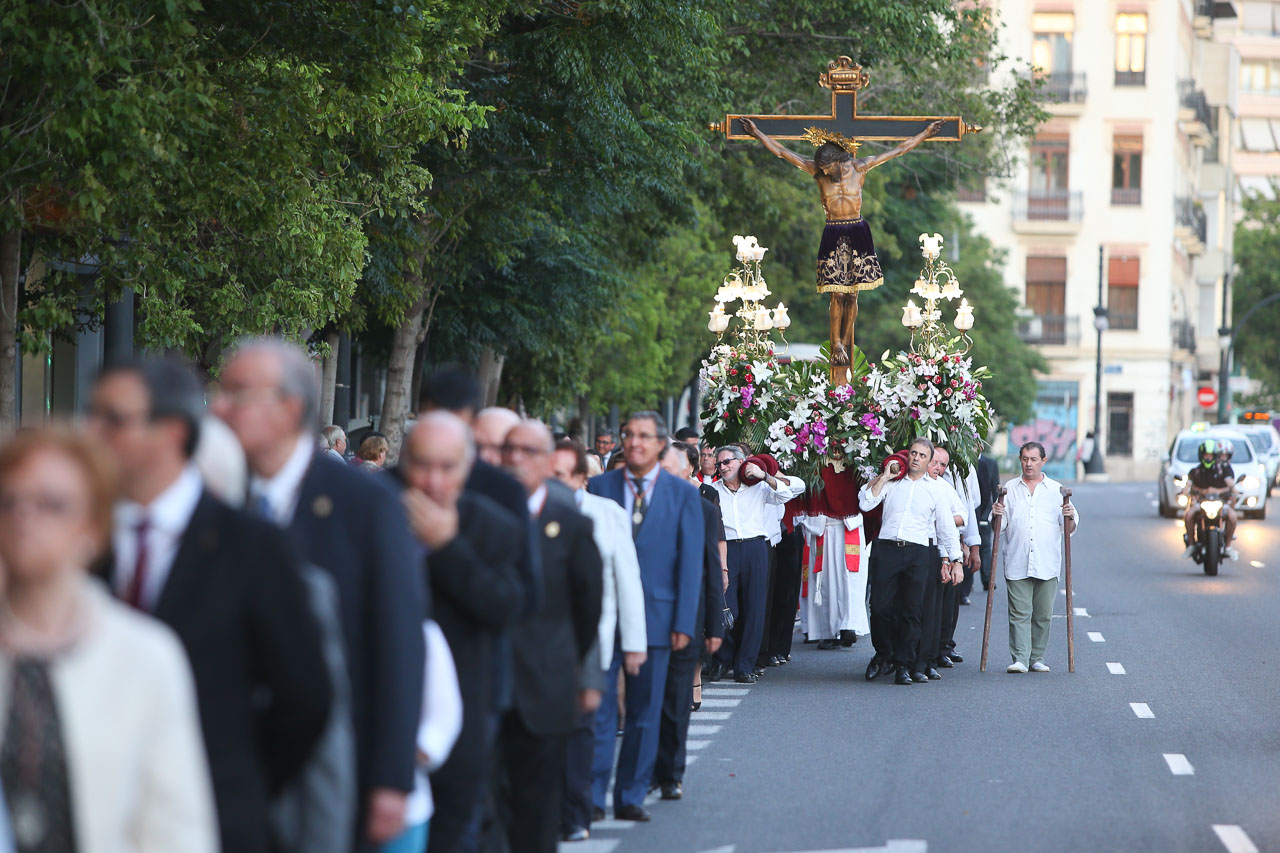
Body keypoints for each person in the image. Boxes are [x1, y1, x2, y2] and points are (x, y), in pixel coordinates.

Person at [86, 358, 333, 853]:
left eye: (114, 420)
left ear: (172, 431)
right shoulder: (83, 543)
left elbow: (305, 697)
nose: (93, 433)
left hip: (217, 819)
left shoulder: (253, 548)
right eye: (92, 415)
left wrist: (236, 772)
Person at [212, 338, 427, 850]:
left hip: (339, 768)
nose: (220, 407)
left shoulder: (365, 506)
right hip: (236, 769)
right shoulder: (216, 503)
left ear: (289, 408)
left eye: (238, 394)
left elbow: (397, 644)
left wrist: (391, 780)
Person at [0, 428, 218, 853]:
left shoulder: (145, 656)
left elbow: (177, 828)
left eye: (51, 504)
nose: (24, 517)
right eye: (9, 501)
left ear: (92, 527)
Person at [396, 413, 525, 853]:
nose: (433, 481)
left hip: (464, 713)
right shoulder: (375, 510)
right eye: (421, 464)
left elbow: (507, 608)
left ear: (467, 468)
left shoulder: (492, 526)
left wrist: (449, 548)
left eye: (447, 467)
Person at [586, 411, 704, 823]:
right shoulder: (598, 487)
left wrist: (683, 623)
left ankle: (631, 793)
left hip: (657, 617)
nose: (634, 442)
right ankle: (592, 794)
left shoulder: (683, 494)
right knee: (599, 710)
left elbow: (690, 566)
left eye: (643, 436)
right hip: (601, 616)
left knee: (644, 711)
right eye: (627, 435)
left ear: (659, 444)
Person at [500, 420, 603, 852]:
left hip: (545, 685)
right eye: (511, 451)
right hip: (489, 686)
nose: (518, 460)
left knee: (538, 808)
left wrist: (568, 667)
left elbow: (587, 607)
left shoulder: (571, 524)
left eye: (529, 452)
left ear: (546, 461)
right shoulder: (478, 513)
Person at [550, 440, 646, 842]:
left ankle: (583, 805)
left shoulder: (607, 515)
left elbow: (627, 581)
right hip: (542, 645)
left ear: (580, 479)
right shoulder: (529, 510)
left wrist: (635, 641)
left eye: (558, 475)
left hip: (596, 639)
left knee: (590, 725)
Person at [652, 442, 726, 801]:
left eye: (671, 468)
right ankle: (648, 768)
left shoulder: (704, 511)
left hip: (686, 616)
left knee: (676, 698)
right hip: (648, 616)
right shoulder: (642, 507)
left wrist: (715, 626)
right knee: (647, 698)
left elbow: (712, 571)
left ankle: (671, 773)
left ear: (687, 472)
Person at [857, 438, 963, 686]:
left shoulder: (937, 489)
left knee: (912, 610)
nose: (916, 458)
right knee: (880, 607)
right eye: (913, 453)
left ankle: (904, 665)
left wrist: (955, 560)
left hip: (917, 551)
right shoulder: (892, 481)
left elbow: (947, 527)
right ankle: (883, 654)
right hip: (886, 548)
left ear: (929, 461)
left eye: (922, 456)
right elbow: (865, 503)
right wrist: (884, 476)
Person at [708, 446, 803, 683]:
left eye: (728, 462)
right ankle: (723, 659)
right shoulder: (712, 490)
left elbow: (788, 493)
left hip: (755, 547)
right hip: (727, 548)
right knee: (726, 606)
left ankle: (745, 665)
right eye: (719, 464)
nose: (723, 467)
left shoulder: (759, 487)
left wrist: (765, 475)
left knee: (755, 608)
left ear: (742, 462)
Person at [991, 441, 1079, 674]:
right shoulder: (1009, 489)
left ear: (1043, 461)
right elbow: (999, 528)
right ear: (1020, 460)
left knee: (1042, 614)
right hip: (1017, 559)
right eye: (1025, 459)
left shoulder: (1057, 491)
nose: (1029, 464)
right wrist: (996, 514)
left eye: (1033, 459)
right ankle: (1020, 657)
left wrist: (1068, 515)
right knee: (1019, 613)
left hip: (1047, 561)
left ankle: (1036, 657)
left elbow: (1068, 528)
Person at [1181, 438, 1238, 561]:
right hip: (1201, 503)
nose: (1208, 457)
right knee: (1189, 515)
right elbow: (1188, 484)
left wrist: (1228, 490)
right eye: (1206, 455)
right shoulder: (1195, 471)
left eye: (1211, 455)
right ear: (1201, 455)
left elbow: (1230, 483)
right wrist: (1186, 489)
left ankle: (1228, 546)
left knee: (1233, 517)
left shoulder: (1223, 470)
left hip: (1220, 503)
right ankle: (1191, 545)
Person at [958, 451, 1000, 604]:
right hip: (964, 512)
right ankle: (963, 588)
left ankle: (986, 579)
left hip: (980, 512)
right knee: (967, 549)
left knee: (983, 547)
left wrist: (989, 513)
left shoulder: (985, 463)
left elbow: (986, 491)